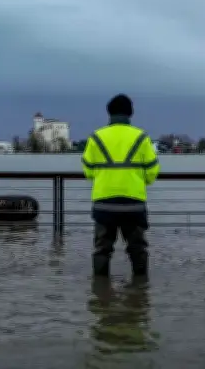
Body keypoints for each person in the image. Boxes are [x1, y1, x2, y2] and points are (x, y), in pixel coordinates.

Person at [81, 94, 160, 276]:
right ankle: (140, 288)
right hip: (133, 203)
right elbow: (152, 171)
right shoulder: (141, 137)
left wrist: (104, 178)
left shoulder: (96, 137)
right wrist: (138, 180)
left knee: (102, 249)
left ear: (109, 112)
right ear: (130, 113)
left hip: (104, 204)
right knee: (137, 249)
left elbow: (88, 171)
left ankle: (100, 288)